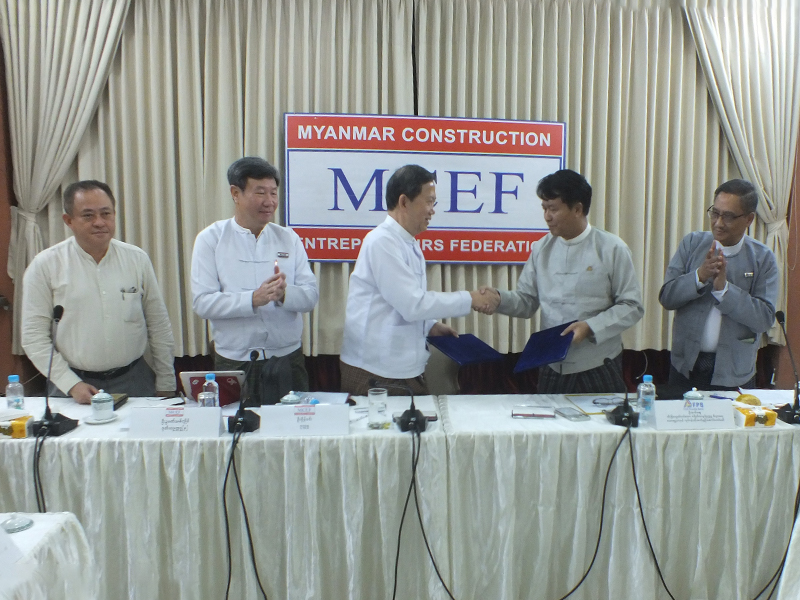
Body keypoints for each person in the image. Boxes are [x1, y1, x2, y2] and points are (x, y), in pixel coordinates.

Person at [477, 169, 644, 394]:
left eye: (553, 209)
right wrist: (499, 299)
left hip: (598, 362)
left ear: (577, 209)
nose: (547, 216)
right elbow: (526, 301)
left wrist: (590, 327)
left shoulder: (612, 248)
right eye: (544, 208)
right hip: (552, 364)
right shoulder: (541, 249)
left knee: (603, 418)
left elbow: (632, 306)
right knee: (548, 417)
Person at [340, 164, 491, 396]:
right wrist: (470, 299)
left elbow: (401, 303)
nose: (432, 210)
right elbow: (412, 304)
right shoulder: (382, 242)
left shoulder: (407, 242)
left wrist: (430, 326)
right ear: (404, 202)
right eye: (429, 202)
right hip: (376, 372)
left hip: (401, 369)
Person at [22, 180, 176, 403]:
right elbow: (33, 337)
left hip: (134, 380)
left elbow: (158, 324)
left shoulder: (136, 259)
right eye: (88, 215)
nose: (99, 222)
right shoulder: (45, 265)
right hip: (72, 384)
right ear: (68, 220)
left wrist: (166, 382)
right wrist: (70, 384)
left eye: (106, 213)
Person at [191, 157, 318, 404]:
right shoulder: (211, 239)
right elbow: (202, 302)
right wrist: (252, 299)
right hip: (235, 360)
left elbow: (311, 295)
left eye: (273, 192)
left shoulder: (288, 238)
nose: (269, 201)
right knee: (239, 425)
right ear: (235, 193)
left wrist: (284, 294)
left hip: (286, 359)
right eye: (260, 192)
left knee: (292, 426)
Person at [659, 179, 778, 392]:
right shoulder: (692, 244)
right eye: (715, 213)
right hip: (685, 366)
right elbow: (667, 297)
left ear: (749, 219)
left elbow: (764, 319)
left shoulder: (763, 258)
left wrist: (724, 290)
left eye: (728, 216)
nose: (718, 223)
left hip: (734, 372)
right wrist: (699, 276)